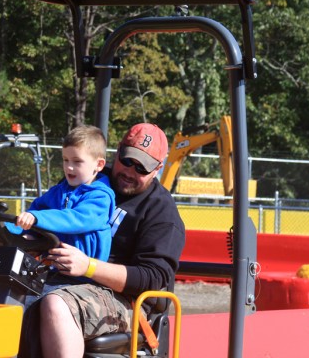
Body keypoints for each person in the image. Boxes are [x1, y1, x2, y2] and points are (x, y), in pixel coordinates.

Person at [17, 122, 186, 358]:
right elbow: (53, 215)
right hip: (63, 277)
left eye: (141, 168)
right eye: (127, 161)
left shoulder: (161, 212)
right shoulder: (90, 179)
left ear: (157, 169)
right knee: (2, 293)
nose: (130, 171)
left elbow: (152, 278)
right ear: (115, 154)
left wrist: (89, 267)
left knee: (57, 305)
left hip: (124, 301)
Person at [12, 125, 115, 262]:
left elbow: (75, 220)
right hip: (54, 268)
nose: (69, 167)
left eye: (77, 161)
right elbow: (34, 211)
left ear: (99, 165)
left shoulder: (100, 197)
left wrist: (37, 217)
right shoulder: (58, 191)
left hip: (85, 277)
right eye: (65, 160)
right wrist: (11, 230)